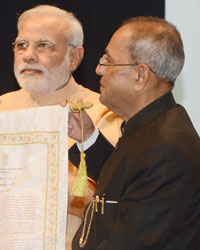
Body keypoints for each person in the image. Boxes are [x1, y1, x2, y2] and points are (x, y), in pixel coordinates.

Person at [68, 16, 200, 249]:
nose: (99, 69)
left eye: (108, 60)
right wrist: (87, 137)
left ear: (141, 75)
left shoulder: (165, 150)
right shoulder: (151, 128)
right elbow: (125, 180)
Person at [0, 5, 122, 249]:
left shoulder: (101, 112)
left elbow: (116, 194)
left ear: (74, 57)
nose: (29, 55)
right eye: (21, 45)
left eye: (44, 45)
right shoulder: (3, 106)